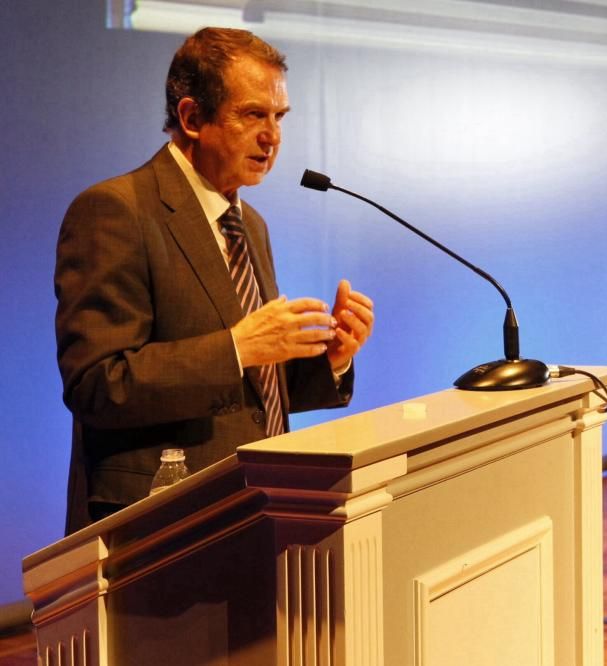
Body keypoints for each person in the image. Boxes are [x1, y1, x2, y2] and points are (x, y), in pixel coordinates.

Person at [54, 28, 374, 534]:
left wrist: (330, 364)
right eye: (252, 115)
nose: (272, 136)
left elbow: (248, 393)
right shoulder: (116, 210)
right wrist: (234, 348)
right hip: (159, 527)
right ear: (192, 118)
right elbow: (97, 384)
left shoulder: (251, 225)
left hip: (256, 510)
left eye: (278, 117)